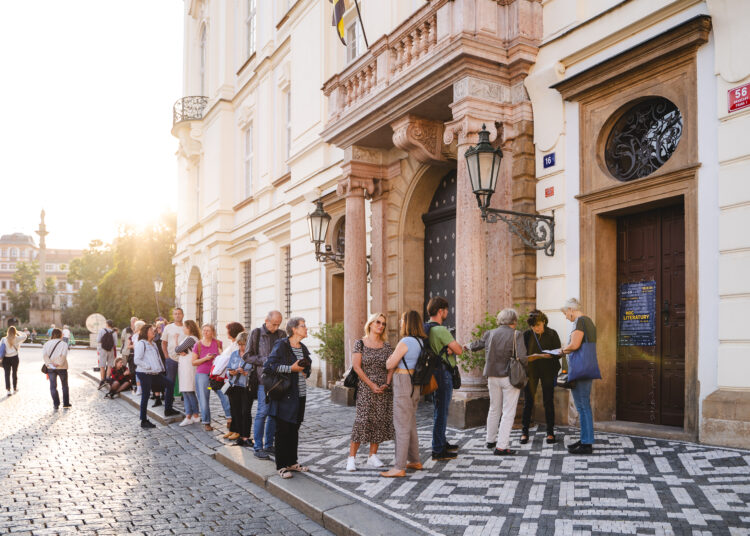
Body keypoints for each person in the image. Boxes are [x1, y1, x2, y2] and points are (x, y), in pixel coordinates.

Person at [467, 308, 528, 456]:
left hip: (492, 377)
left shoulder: (490, 333)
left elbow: (477, 344)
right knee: (508, 412)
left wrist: (467, 346)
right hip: (509, 377)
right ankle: (501, 447)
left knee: (494, 408)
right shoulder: (516, 334)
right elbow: (523, 357)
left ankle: (490, 440)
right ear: (514, 321)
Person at [380, 311, 426, 478]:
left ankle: (399, 466)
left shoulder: (405, 341)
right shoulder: (421, 341)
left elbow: (389, 364)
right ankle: (414, 460)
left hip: (403, 382)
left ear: (407, 323)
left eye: (402, 320)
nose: (400, 322)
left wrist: (390, 358)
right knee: (411, 422)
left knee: (401, 425)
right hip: (416, 384)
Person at [264, 317, 311, 479]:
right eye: (303, 326)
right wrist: (291, 368)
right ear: (294, 329)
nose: (306, 329)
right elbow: (269, 366)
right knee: (283, 430)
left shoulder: (303, 347)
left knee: (294, 429)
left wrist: (306, 371)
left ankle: (292, 461)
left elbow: (307, 367)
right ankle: (281, 465)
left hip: (300, 395)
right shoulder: (282, 345)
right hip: (285, 394)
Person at [346, 312, 394, 472]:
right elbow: (356, 367)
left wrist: (387, 383)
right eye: (378, 322)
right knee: (362, 420)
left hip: (383, 388)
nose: (381, 325)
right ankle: (351, 458)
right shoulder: (360, 343)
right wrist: (371, 384)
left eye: (383, 323)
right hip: (366, 388)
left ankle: (372, 455)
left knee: (379, 421)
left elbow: (390, 367)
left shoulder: (386, 346)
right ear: (370, 324)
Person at [424, 296, 463, 461]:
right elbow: (459, 349)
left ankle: (441, 442)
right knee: (442, 412)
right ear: (441, 311)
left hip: (434, 372)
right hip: (443, 373)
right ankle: (438, 450)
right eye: (446, 310)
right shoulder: (440, 330)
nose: (447, 313)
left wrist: (449, 349)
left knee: (439, 410)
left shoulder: (427, 327)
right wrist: (452, 349)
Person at [244, 310, 284, 459]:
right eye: (274, 324)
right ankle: (258, 447)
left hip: (278, 380)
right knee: (262, 412)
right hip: (263, 380)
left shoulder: (281, 334)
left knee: (273, 414)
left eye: (278, 324)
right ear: (266, 321)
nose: (276, 327)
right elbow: (247, 356)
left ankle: (268, 445)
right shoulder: (256, 333)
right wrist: (264, 360)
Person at [561, 298, 598, 455]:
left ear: (571, 309)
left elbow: (575, 345)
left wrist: (561, 351)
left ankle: (586, 444)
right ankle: (585, 439)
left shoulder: (580, 321)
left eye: (565, 313)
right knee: (584, 406)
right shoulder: (588, 321)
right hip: (586, 368)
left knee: (582, 407)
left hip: (580, 369)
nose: (565, 316)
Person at [521, 310, 562, 445]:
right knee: (528, 402)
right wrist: (533, 357)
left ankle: (550, 432)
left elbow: (559, 352)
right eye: (533, 326)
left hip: (548, 370)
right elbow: (522, 355)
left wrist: (552, 354)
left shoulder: (552, 333)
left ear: (544, 321)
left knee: (548, 401)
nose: (536, 328)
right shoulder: (526, 335)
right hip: (531, 371)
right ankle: (524, 432)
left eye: (538, 325)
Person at [191, 324, 232, 431]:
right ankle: (206, 422)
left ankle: (229, 418)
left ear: (212, 332)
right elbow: (194, 362)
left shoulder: (218, 343)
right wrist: (205, 358)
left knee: (224, 395)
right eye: (204, 330)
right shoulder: (198, 345)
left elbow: (222, 358)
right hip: (202, 375)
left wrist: (220, 354)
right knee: (204, 398)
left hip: (216, 374)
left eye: (208, 330)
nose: (205, 332)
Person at [133, 323, 172, 428]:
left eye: (153, 330)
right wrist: (148, 367)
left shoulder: (153, 344)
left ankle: (168, 409)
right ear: (146, 332)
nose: (153, 332)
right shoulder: (141, 343)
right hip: (144, 373)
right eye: (151, 330)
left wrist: (160, 368)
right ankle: (143, 420)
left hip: (155, 373)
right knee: (145, 396)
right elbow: (137, 360)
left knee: (169, 384)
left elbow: (158, 358)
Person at [226, 332, 254, 446]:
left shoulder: (252, 356)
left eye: (244, 344)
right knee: (236, 411)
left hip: (246, 387)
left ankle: (245, 436)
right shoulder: (234, 354)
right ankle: (238, 434)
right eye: (240, 344)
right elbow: (228, 369)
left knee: (245, 412)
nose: (241, 347)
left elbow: (255, 373)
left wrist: (246, 373)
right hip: (234, 386)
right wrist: (231, 372)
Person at [218, 322, 245, 439]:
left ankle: (238, 430)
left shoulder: (236, 346)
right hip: (229, 378)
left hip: (238, 380)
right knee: (232, 405)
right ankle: (233, 428)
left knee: (237, 406)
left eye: (228, 330)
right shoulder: (232, 344)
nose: (226, 332)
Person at [161, 308, 186, 418]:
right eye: (175, 314)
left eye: (179, 313)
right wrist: (166, 356)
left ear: (183, 315)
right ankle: (168, 408)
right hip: (172, 359)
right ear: (173, 315)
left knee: (186, 382)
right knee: (170, 383)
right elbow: (163, 343)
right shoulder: (168, 328)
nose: (177, 315)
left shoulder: (186, 327)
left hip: (185, 360)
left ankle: (188, 408)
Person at [176, 319, 201, 426]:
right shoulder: (189, 339)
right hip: (185, 368)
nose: (183, 329)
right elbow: (182, 351)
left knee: (189, 391)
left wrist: (176, 340)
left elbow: (178, 349)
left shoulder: (191, 339)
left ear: (189, 328)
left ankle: (194, 415)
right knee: (186, 392)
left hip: (189, 369)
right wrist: (181, 351)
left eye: (185, 327)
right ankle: (189, 415)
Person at [42, 328, 70, 409]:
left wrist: (50, 364)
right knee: (64, 385)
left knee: (53, 386)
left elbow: (45, 355)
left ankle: (56, 404)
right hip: (62, 367)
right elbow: (63, 355)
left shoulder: (47, 344)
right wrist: (58, 363)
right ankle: (66, 403)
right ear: (61, 335)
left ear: (52, 335)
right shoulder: (64, 344)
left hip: (51, 368)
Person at [2, 326, 27, 396]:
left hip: (6, 359)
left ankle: (8, 390)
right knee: (14, 373)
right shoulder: (17, 338)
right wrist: (18, 331)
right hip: (14, 358)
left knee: (7, 374)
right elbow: (25, 336)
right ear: (14, 332)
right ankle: (15, 388)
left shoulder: (3, 339)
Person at [97, 320, 119, 390]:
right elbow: (115, 344)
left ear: (106, 324)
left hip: (103, 350)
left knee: (102, 365)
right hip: (111, 350)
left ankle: (102, 380)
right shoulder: (114, 332)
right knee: (110, 365)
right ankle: (107, 378)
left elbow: (98, 340)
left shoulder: (102, 331)